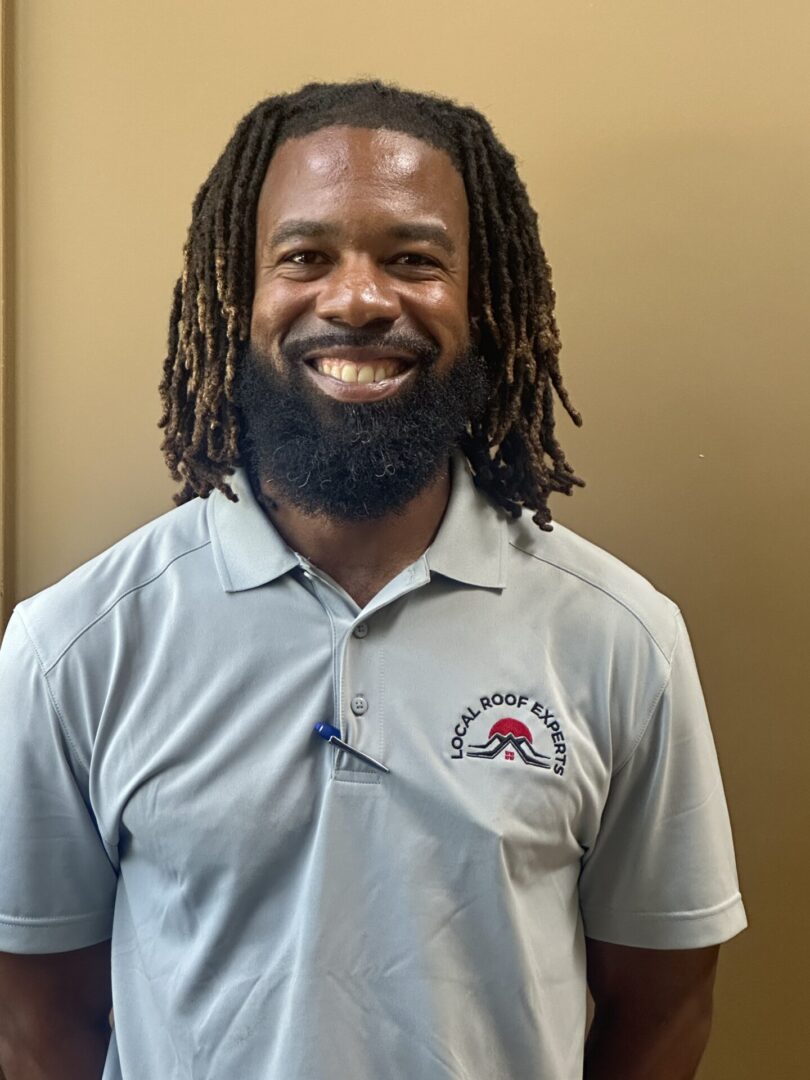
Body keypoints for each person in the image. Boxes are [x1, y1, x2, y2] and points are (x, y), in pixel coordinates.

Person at [0, 80, 745, 1080]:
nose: (357, 298)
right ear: (237, 294)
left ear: (481, 299)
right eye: (304, 257)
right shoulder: (73, 647)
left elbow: (660, 1012)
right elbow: (41, 1021)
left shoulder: (620, 639)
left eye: (414, 260)